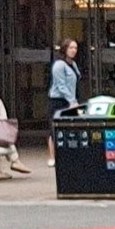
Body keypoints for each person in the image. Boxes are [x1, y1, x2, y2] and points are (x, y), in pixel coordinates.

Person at [47, 37, 81, 166]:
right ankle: (52, 157)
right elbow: (61, 85)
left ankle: (68, 155)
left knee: (70, 127)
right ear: (64, 49)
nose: (73, 50)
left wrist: (74, 99)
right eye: (71, 48)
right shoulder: (59, 64)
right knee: (54, 128)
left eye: (75, 48)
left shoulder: (73, 64)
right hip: (58, 100)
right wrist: (72, 100)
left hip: (71, 99)